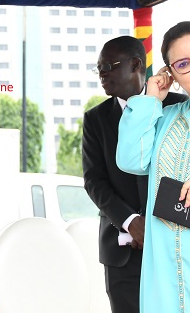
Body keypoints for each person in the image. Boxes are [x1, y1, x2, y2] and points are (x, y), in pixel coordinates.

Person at [82, 36, 186, 313]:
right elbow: (94, 180)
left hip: (172, 242)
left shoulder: (177, 107)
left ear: (136, 64)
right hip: (122, 250)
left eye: (108, 66)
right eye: (98, 69)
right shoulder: (95, 118)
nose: (102, 75)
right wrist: (130, 222)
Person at [117, 21, 190, 313]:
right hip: (165, 271)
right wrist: (151, 98)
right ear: (172, 74)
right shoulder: (167, 118)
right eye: (183, 64)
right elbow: (130, 160)